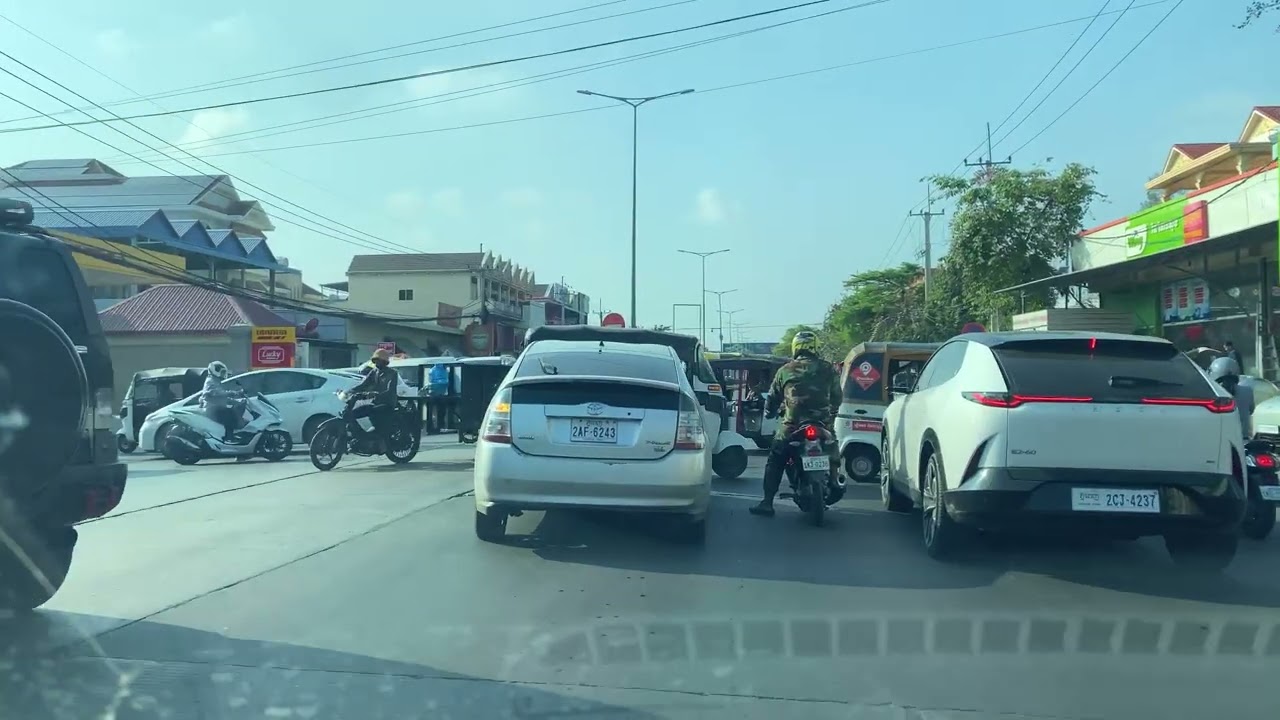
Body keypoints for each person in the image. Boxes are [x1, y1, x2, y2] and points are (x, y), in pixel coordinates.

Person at [750, 331, 842, 517]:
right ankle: (835, 479)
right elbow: (837, 397)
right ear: (815, 347)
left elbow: (772, 400)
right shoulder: (828, 369)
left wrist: (769, 413)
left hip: (792, 426)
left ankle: (767, 502)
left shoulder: (785, 371)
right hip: (822, 424)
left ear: (795, 348)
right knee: (832, 445)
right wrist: (831, 412)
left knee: (776, 458)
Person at [346, 348, 400, 448]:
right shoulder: (374, 372)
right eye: (375, 360)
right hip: (375, 402)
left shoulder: (392, 373)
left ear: (384, 361)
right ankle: (360, 437)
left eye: (379, 360)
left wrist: (374, 394)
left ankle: (379, 439)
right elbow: (364, 384)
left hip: (387, 403)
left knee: (374, 412)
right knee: (353, 413)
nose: (376, 363)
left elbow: (389, 390)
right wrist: (350, 391)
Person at [1207, 356, 1254, 440]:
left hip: (1219, 439)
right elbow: (1251, 410)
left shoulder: (1211, 394)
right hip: (1243, 439)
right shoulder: (1247, 391)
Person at [200, 361, 239, 440]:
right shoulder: (210, 381)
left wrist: (234, 401)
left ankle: (230, 435)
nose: (223, 374)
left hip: (217, 407)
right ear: (215, 371)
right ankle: (229, 437)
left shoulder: (216, 381)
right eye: (222, 372)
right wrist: (231, 393)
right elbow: (216, 393)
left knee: (231, 413)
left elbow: (221, 397)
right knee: (230, 415)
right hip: (212, 408)